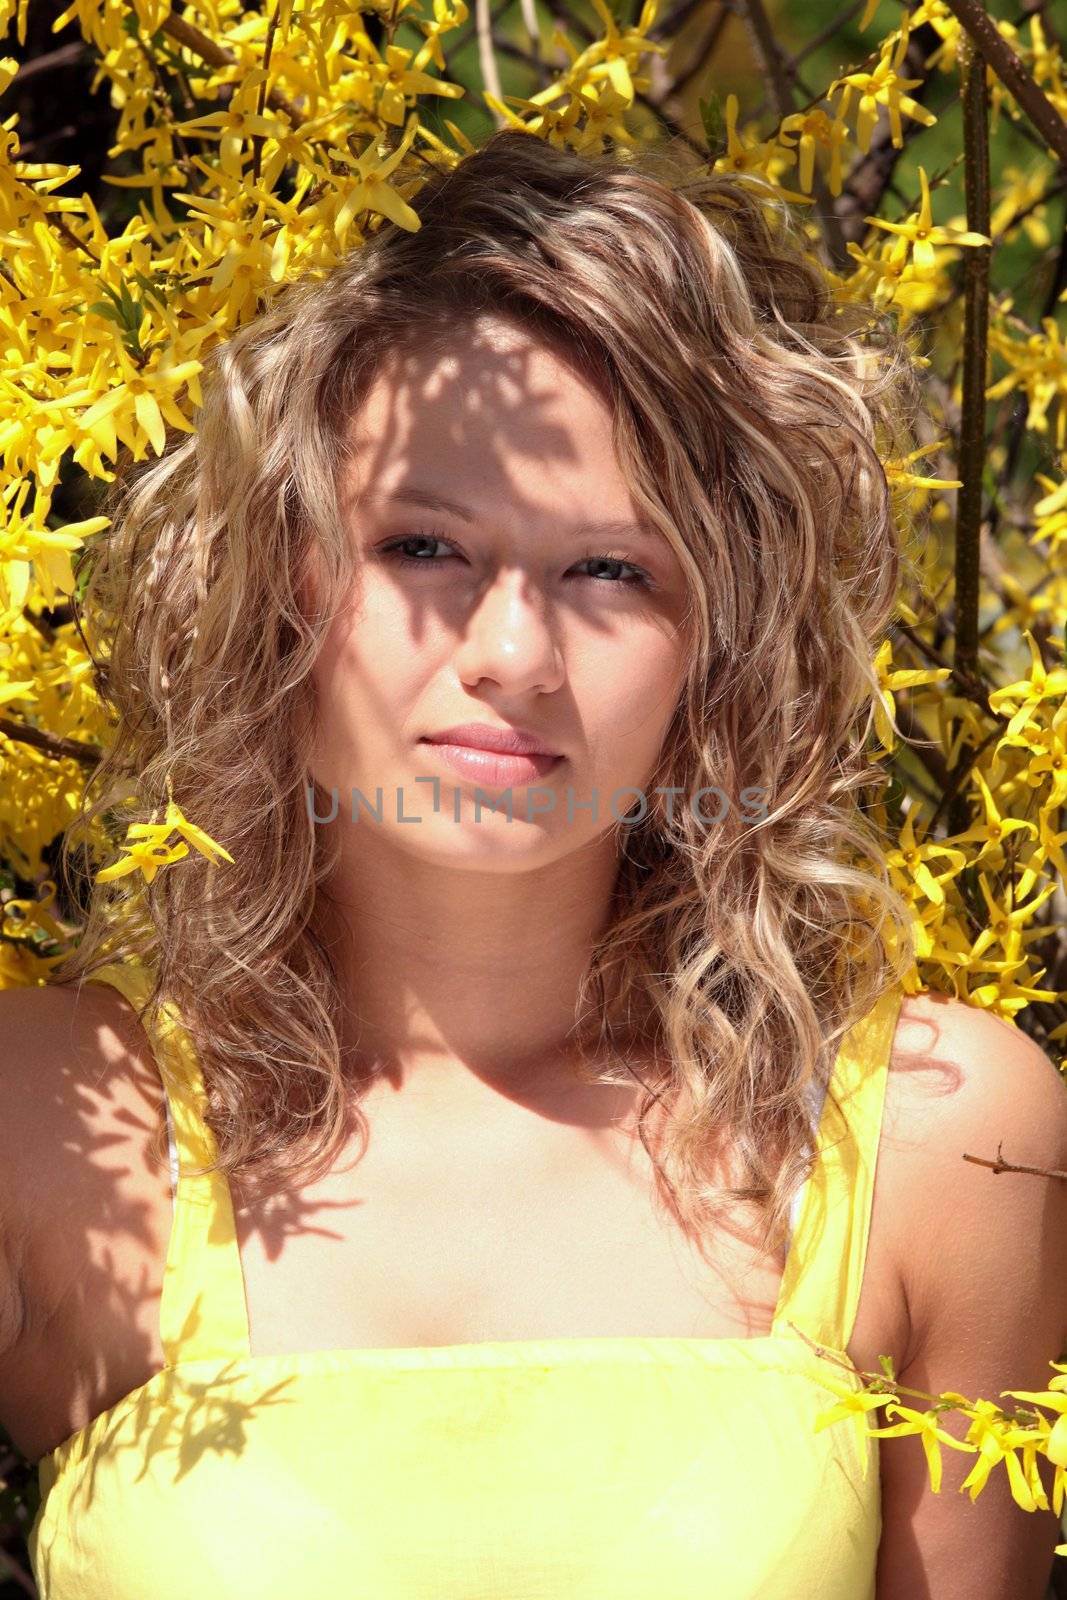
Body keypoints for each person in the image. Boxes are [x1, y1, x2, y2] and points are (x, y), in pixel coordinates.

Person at [1, 127, 1065, 1600]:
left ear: (721, 651)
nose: (512, 656)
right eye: (425, 547)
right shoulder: (56, 1127)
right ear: (283, 586)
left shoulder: (933, 1144)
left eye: (614, 572)